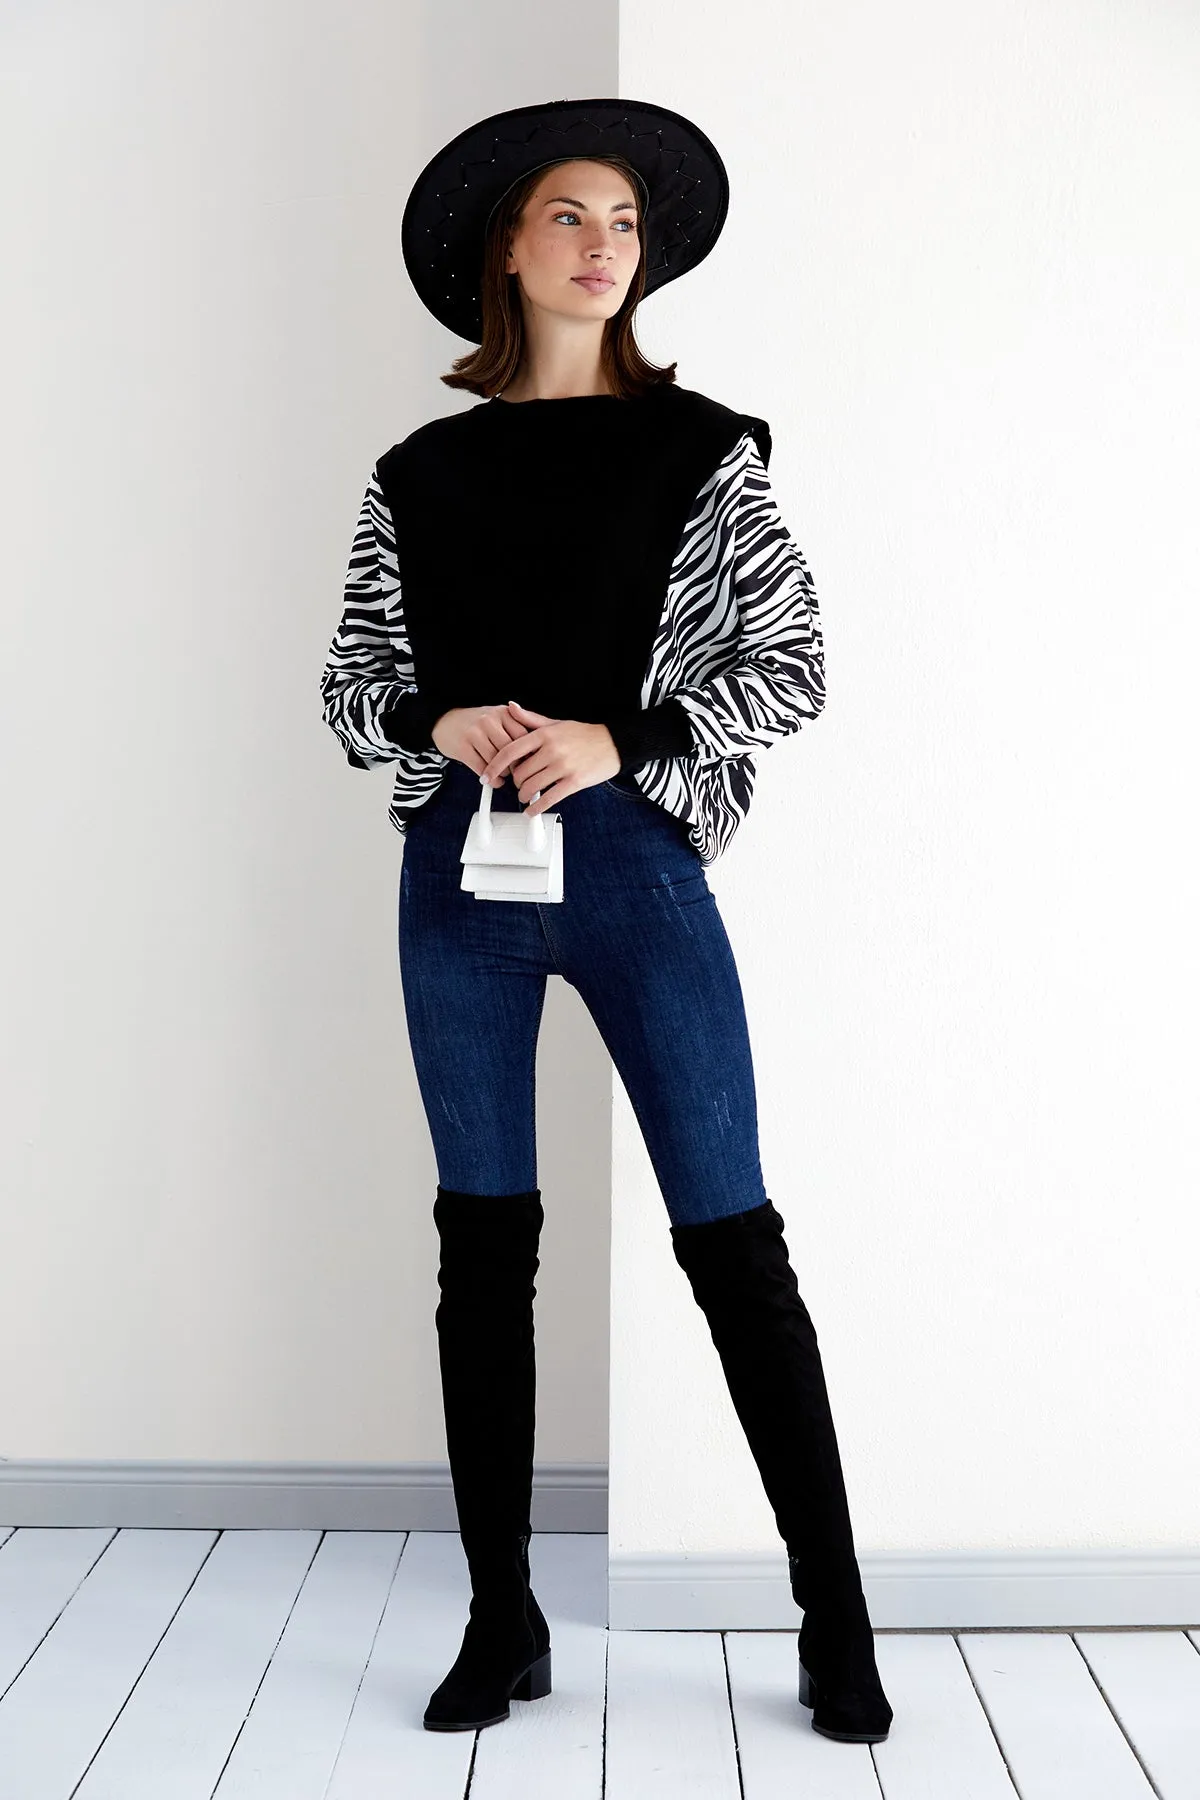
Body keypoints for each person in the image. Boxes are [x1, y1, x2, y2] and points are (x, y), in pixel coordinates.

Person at [319, 96, 893, 1746]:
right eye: (570, 215)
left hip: (637, 869)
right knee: (481, 1249)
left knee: (734, 1243)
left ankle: (834, 1618)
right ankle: (501, 1618)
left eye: (624, 222)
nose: (602, 245)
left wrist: (617, 737)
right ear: (507, 247)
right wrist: (438, 720)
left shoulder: (703, 450)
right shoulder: (418, 474)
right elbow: (354, 687)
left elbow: (792, 666)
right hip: (461, 875)